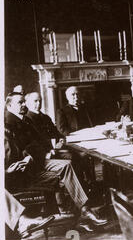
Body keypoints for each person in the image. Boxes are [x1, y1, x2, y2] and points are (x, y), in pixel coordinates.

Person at [5, 92, 107, 227]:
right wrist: (30, 155)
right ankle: (80, 211)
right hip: (22, 172)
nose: (24, 105)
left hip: (36, 162)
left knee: (67, 165)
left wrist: (38, 153)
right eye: (20, 102)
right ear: (9, 105)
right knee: (67, 174)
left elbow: (40, 142)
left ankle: (84, 210)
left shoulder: (25, 120)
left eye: (24, 102)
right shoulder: (7, 124)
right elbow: (12, 155)